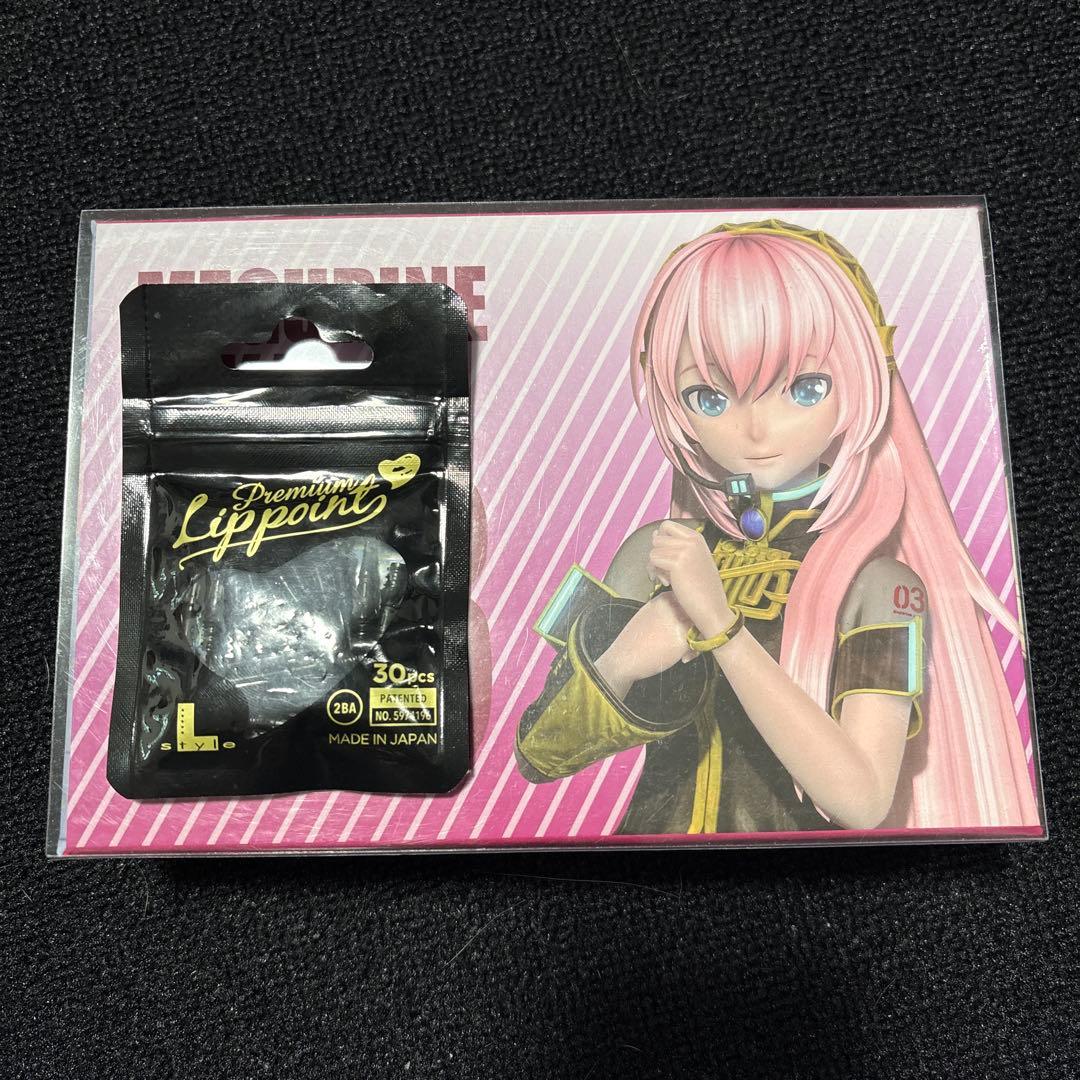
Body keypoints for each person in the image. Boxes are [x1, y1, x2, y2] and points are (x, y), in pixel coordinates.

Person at [515, 219, 1038, 834]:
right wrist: (622, 662)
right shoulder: (653, 552)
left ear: (861, 378)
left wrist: (721, 629)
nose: (757, 430)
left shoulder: (883, 582)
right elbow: (536, 755)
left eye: (804, 388)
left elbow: (863, 801)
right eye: (710, 398)